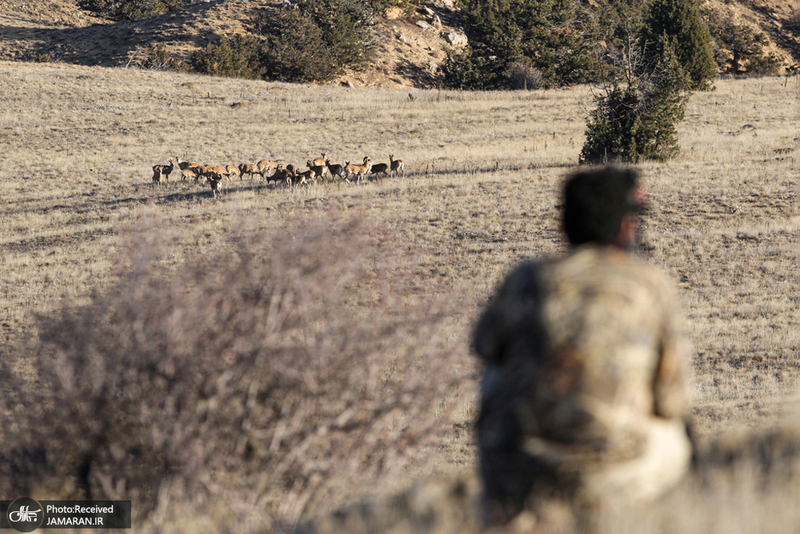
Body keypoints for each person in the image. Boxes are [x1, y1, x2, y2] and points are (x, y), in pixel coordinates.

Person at [473, 166, 693, 526]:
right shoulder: (649, 285)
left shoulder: (527, 279)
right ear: (625, 226)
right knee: (674, 435)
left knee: (494, 372)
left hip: (524, 464)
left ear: (564, 223)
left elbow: (484, 345)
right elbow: (671, 400)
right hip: (612, 469)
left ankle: (509, 509)